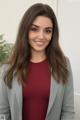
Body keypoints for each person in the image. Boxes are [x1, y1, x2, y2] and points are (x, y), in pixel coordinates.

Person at [0, 3, 75, 120]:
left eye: (48, 31)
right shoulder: (8, 68)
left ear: (53, 34)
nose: (41, 36)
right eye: (34, 29)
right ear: (25, 30)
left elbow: (68, 112)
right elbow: (3, 112)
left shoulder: (63, 64)